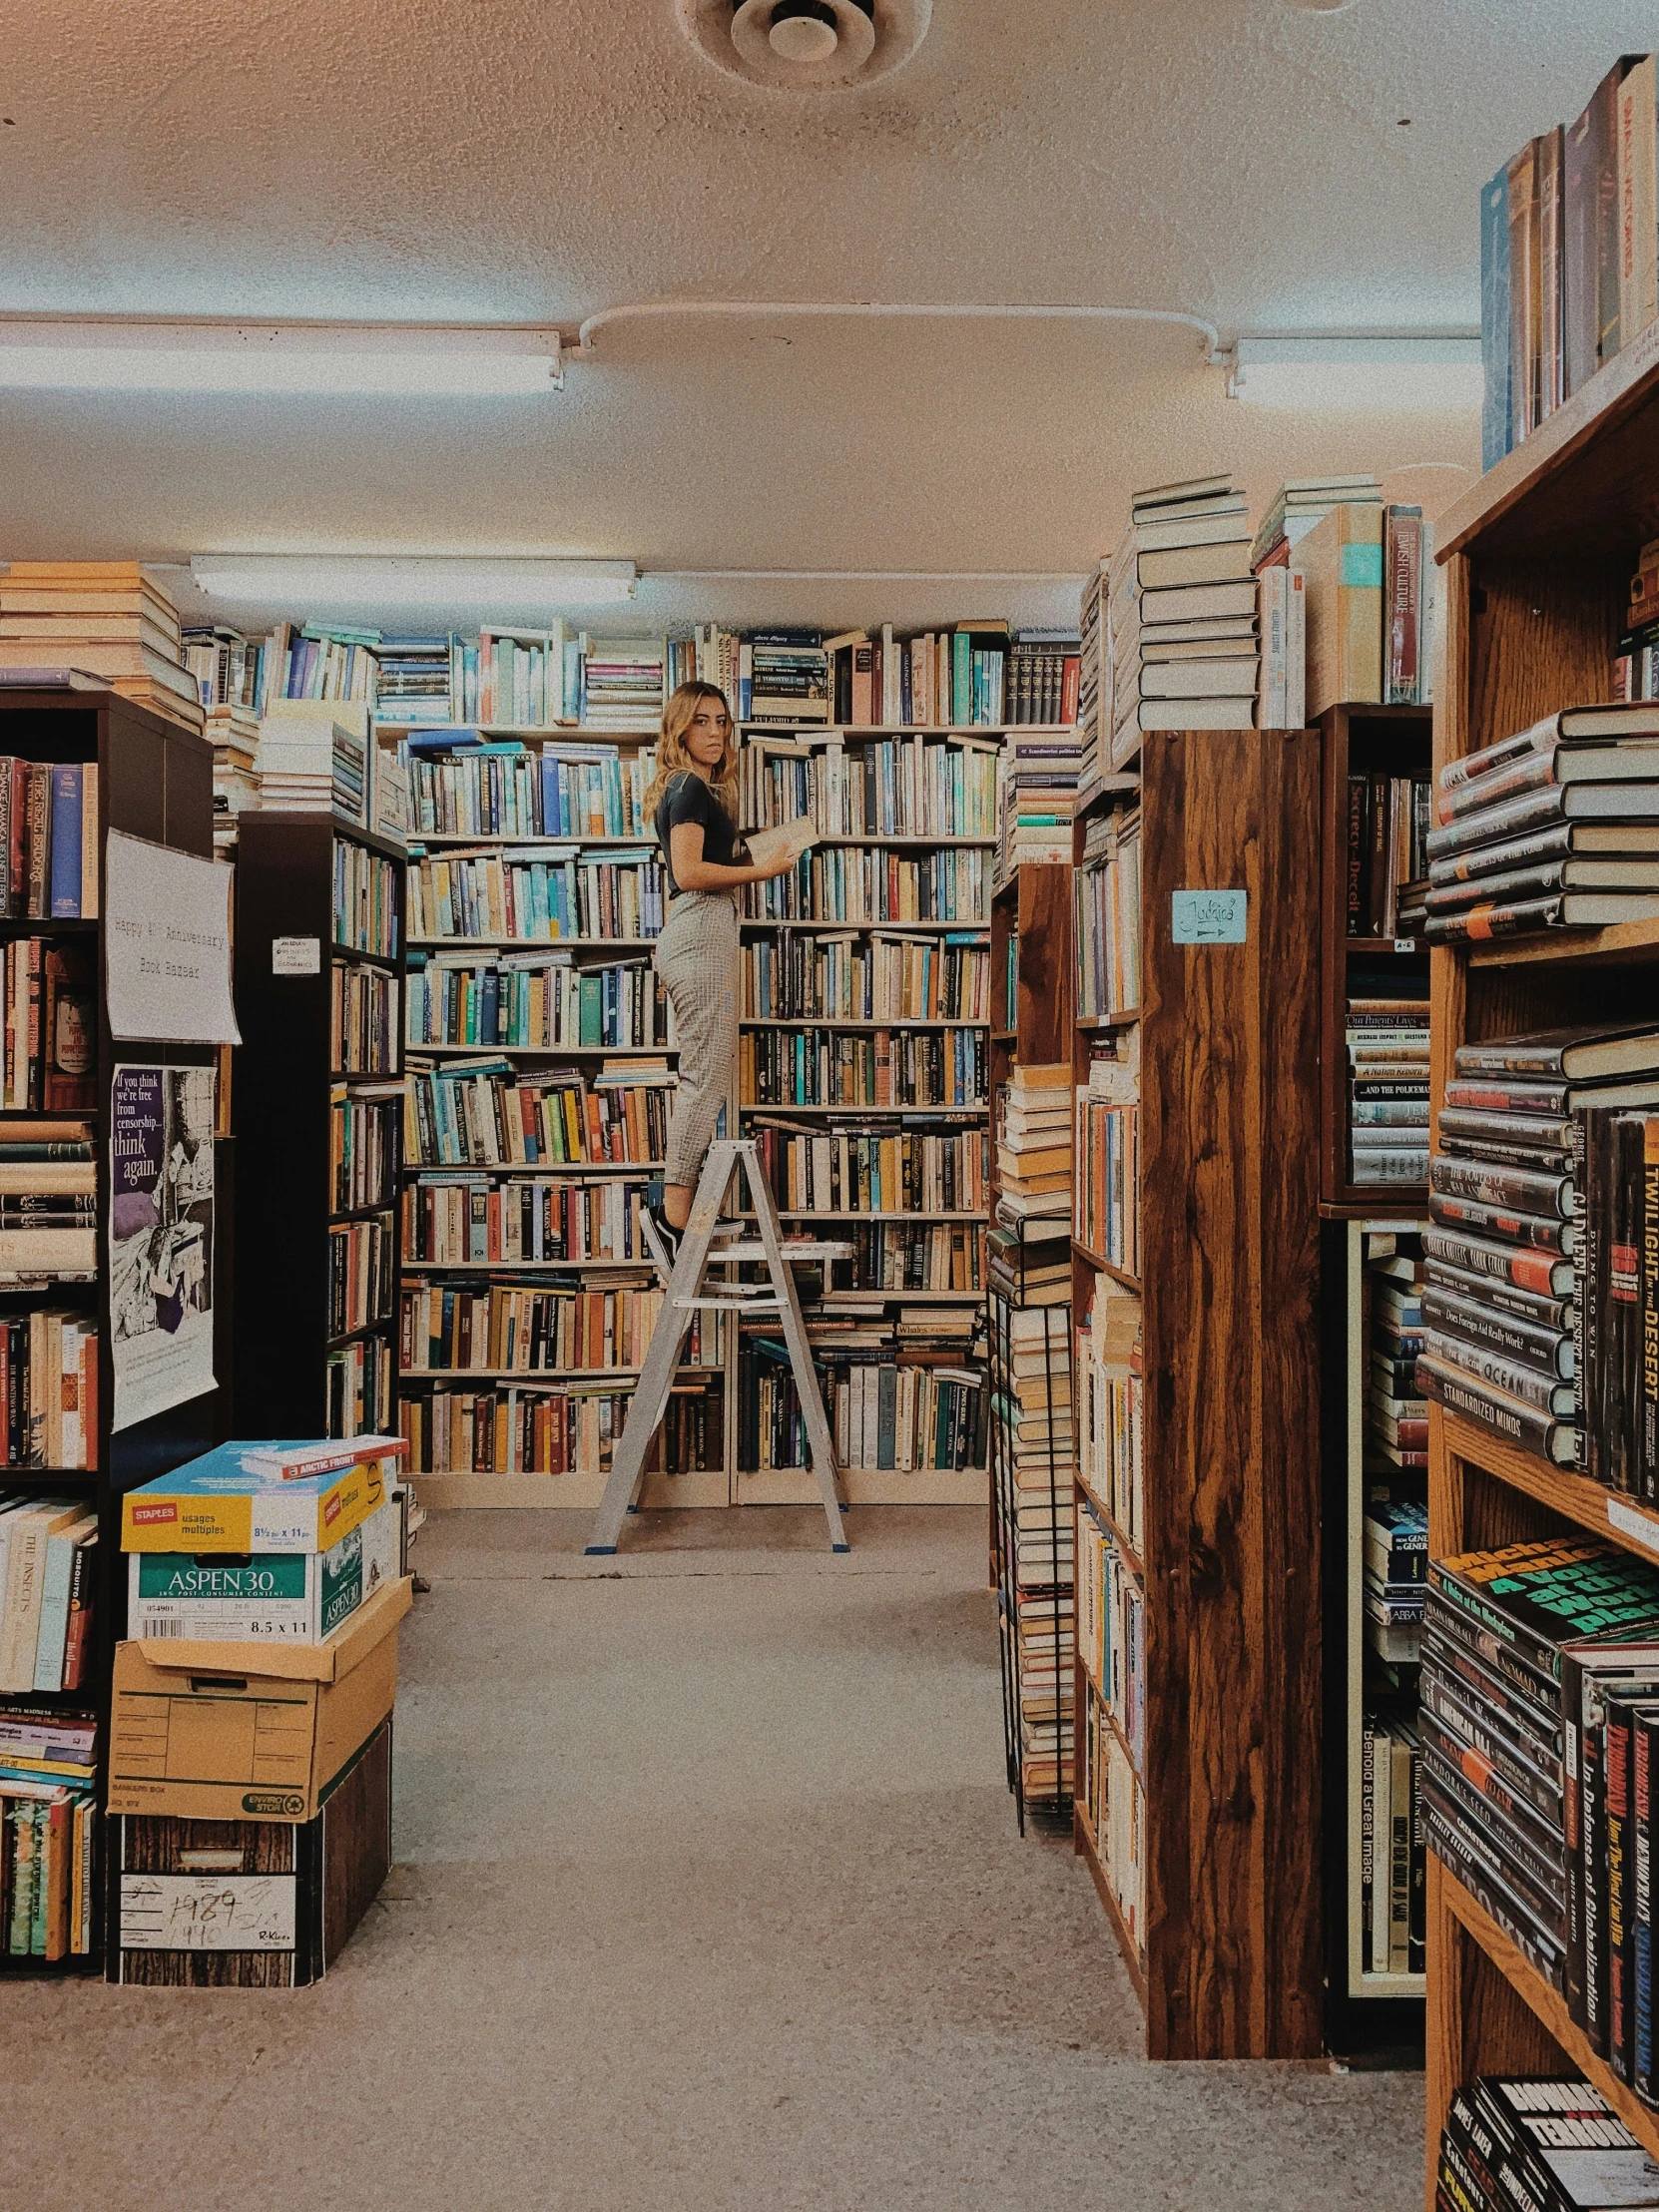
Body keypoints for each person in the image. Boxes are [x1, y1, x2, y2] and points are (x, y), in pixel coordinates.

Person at [642, 681, 797, 1261]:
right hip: (698, 932)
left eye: (723, 722)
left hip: (703, 935)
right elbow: (688, 874)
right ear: (680, 728)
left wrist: (764, 851)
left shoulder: (699, 791)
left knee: (706, 1072)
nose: (715, 732)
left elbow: (711, 862)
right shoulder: (686, 785)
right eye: (702, 721)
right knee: (704, 1078)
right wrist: (762, 874)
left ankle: (672, 1212)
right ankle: (671, 1218)